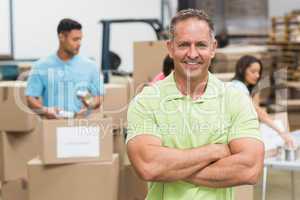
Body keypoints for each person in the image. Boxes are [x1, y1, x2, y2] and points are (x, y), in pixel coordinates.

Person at [126, 9, 264, 200]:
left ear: (213, 48)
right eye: (183, 45)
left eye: (201, 45)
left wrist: (171, 168)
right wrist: (215, 151)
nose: (192, 54)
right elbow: (149, 166)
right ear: (170, 47)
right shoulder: (146, 101)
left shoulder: (235, 99)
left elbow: (250, 169)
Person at [26, 18, 103, 119]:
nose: (79, 43)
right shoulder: (40, 66)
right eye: (75, 39)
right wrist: (45, 110)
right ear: (61, 37)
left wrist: (91, 104)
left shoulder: (91, 66)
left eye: (80, 39)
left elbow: (99, 96)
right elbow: (31, 97)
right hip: (53, 126)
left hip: (82, 127)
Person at [231, 55, 295, 148]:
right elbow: (258, 112)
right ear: (241, 70)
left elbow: (257, 110)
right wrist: (282, 132)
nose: (257, 75)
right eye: (253, 72)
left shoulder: (242, 87)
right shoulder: (237, 87)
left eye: (258, 72)